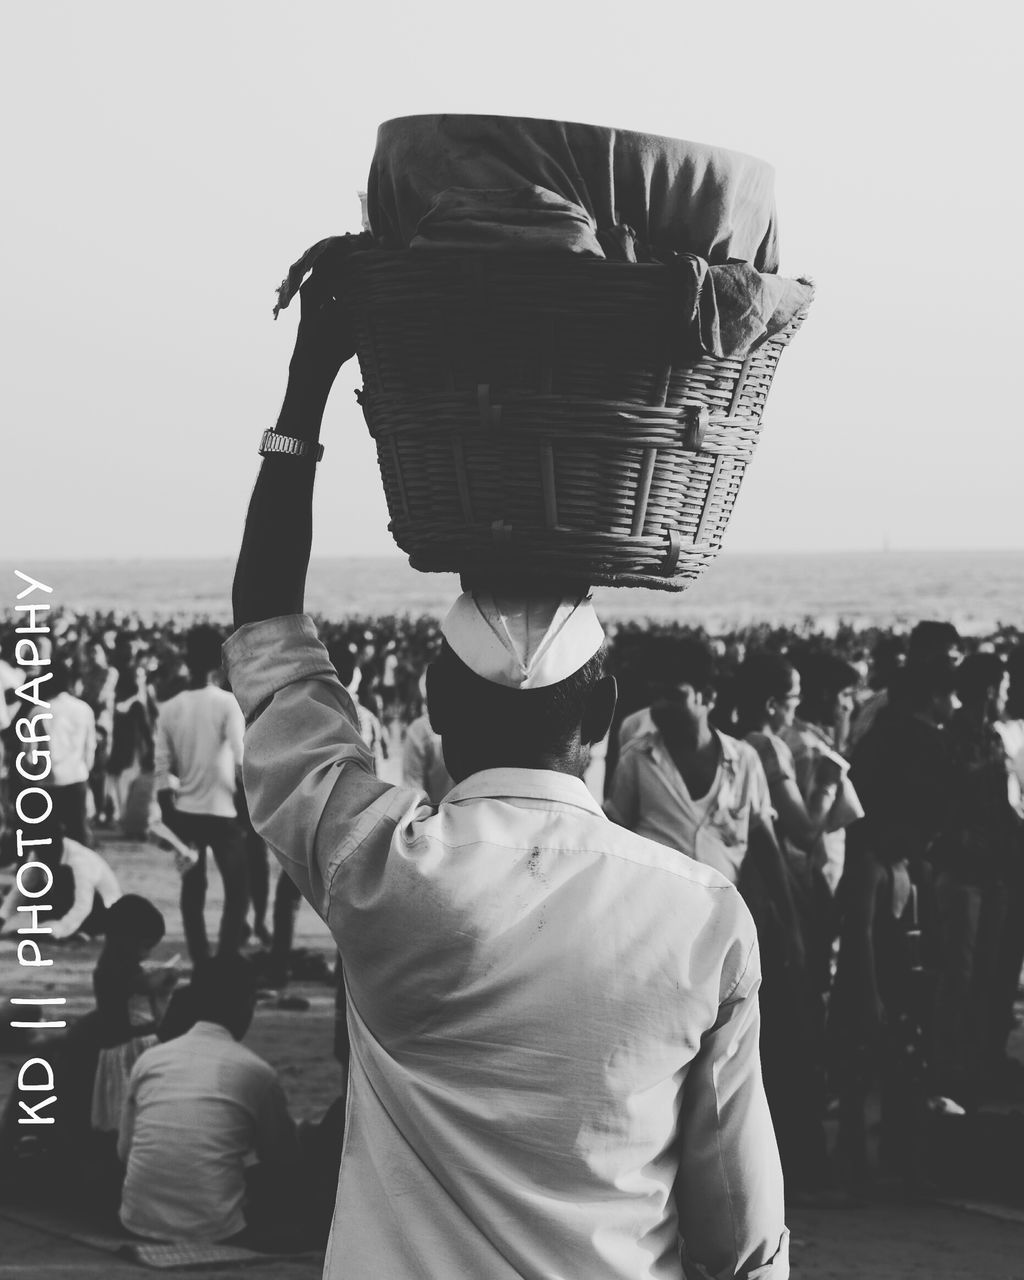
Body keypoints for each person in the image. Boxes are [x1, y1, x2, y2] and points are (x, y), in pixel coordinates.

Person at [223, 281, 789, 1279]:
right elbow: (742, 1236)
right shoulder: (703, 916)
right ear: (604, 712)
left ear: (434, 702)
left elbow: (269, 636)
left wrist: (311, 379)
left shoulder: (378, 864)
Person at [118, 954, 300, 1247]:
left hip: (138, 1220)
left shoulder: (150, 1060)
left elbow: (125, 1152)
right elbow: (281, 1158)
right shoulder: (255, 1072)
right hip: (217, 1229)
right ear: (246, 1005)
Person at [154, 624, 248, 964]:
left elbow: (162, 770)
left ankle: (200, 962)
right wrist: (246, 812)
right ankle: (225, 958)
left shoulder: (169, 708)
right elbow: (241, 762)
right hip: (223, 812)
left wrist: (169, 817)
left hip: (186, 812)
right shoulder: (227, 705)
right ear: (220, 662)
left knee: (193, 894)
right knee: (237, 892)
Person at [37, 656, 97, 844]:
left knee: (48, 839)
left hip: (48, 783)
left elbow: (29, 756)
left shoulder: (38, 712)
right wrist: (85, 771)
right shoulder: (84, 709)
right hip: (76, 778)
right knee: (77, 838)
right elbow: (90, 747)